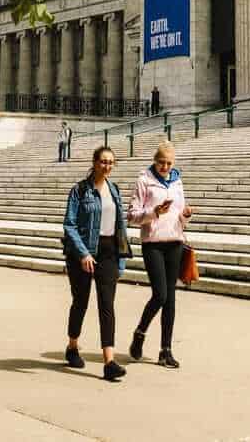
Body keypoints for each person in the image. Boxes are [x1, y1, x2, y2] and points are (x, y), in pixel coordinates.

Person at [61, 145, 132, 381]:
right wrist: (83, 254)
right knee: (80, 302)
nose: (107, 166)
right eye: (103, 161)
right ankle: (72, 346)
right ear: (94, 162)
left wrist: (121, 260)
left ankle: (109, 362)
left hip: (109, 251)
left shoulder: (114, 190)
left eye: (111, 162)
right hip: (83, 252)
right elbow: (69, 224)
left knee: (107, 305)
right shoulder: (80, 190)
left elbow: (121, 226)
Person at [126, 141, 194, 368]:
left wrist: (185, 215)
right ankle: (140, 332)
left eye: (168, 163)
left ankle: (166, 349)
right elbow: (132, 215)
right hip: (153, 243)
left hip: (174, 241)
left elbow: (180, 215)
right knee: (160, 294)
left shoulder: (177, 180)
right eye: (161, 162)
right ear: (155, 160)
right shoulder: (144, 179)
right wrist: (154, 212)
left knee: (171, 299)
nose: (165, 167)